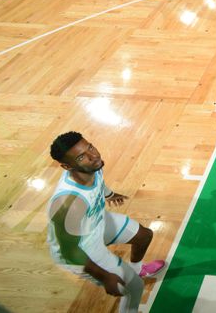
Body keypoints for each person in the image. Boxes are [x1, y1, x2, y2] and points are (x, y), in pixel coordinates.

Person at [47, 131, 165, 313]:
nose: (93, 155)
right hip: (82, 248)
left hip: (96, 222)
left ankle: (137, 269)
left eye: (90, 147)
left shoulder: (93, 165)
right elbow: (69, 251)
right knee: (135, 288)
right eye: (81, 157)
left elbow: (99, 181)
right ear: (66, 166)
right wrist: (105, 276)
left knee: (144, 236)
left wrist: (110, 195)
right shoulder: (68, 203)